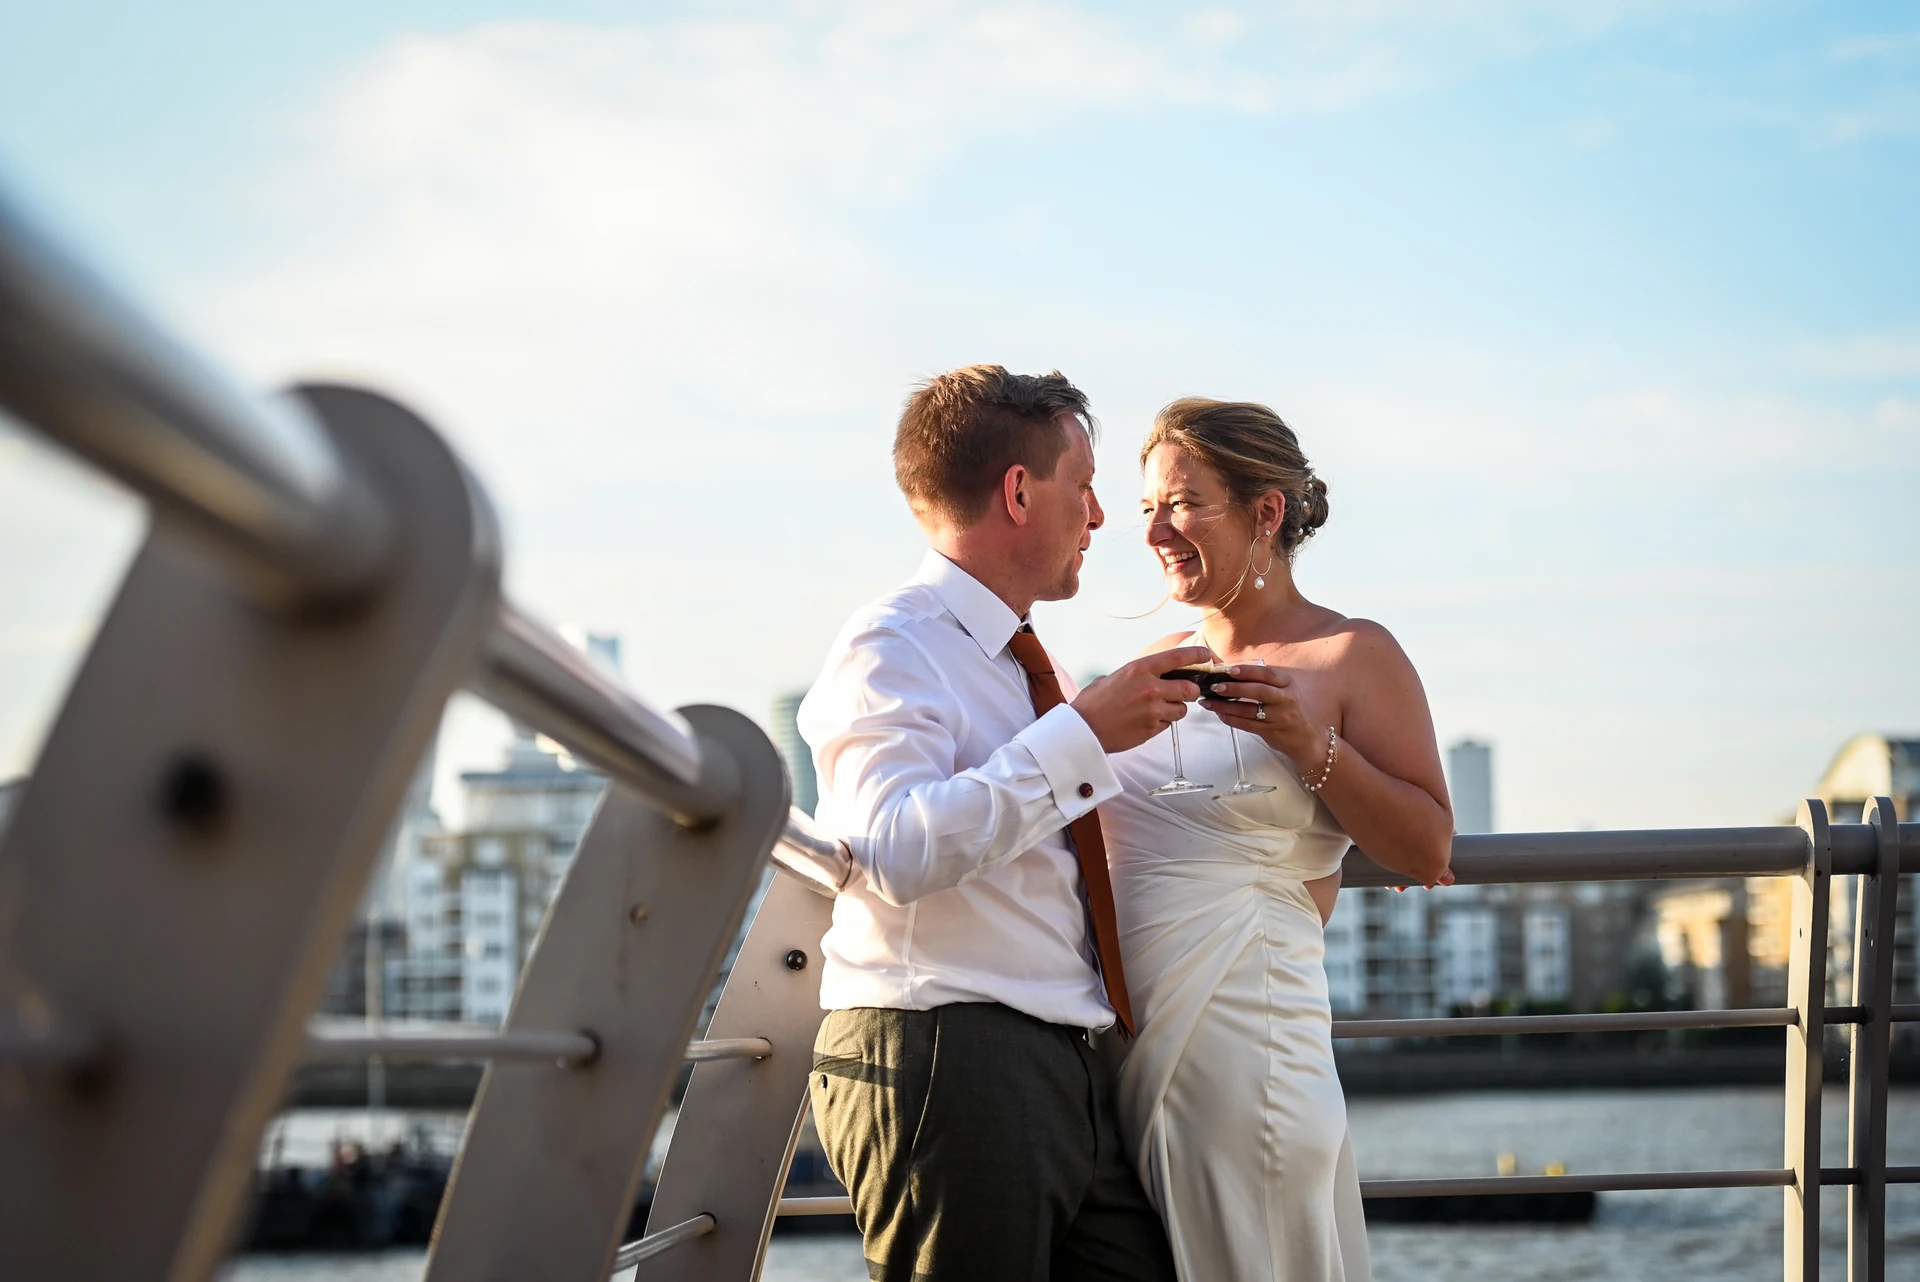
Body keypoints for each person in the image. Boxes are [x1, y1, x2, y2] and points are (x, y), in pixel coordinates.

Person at [797, 365, 1198, 1282]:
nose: (1100, 517)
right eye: (1084, 486)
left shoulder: (1016, 659)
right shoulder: (891, 643)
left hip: (1055, 1062)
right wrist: (1083, 734)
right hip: (950, 1059)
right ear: (1019, 491)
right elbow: (891, 849)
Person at [1101, 397, 1455, 1282]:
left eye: (1182, 504)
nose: (1155, 532)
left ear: (1265, 512)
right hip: (1117, 1058)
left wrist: (1310, 746)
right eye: (1148, 508)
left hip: (1243, 1048)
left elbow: (1427, 849)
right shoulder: (1149, 667)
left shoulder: (1350, 654)